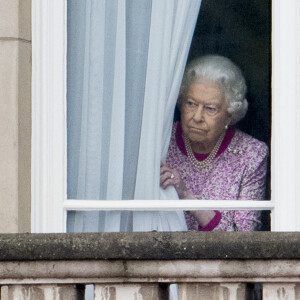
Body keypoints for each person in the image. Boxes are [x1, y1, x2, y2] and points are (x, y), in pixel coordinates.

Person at [160, 55, 268, 231]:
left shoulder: (250, 154)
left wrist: (187, 197)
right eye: (191, 103)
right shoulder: (162, 141)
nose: (197, 117)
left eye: (210, 108)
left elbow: (244, 237)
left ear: (230, 114)